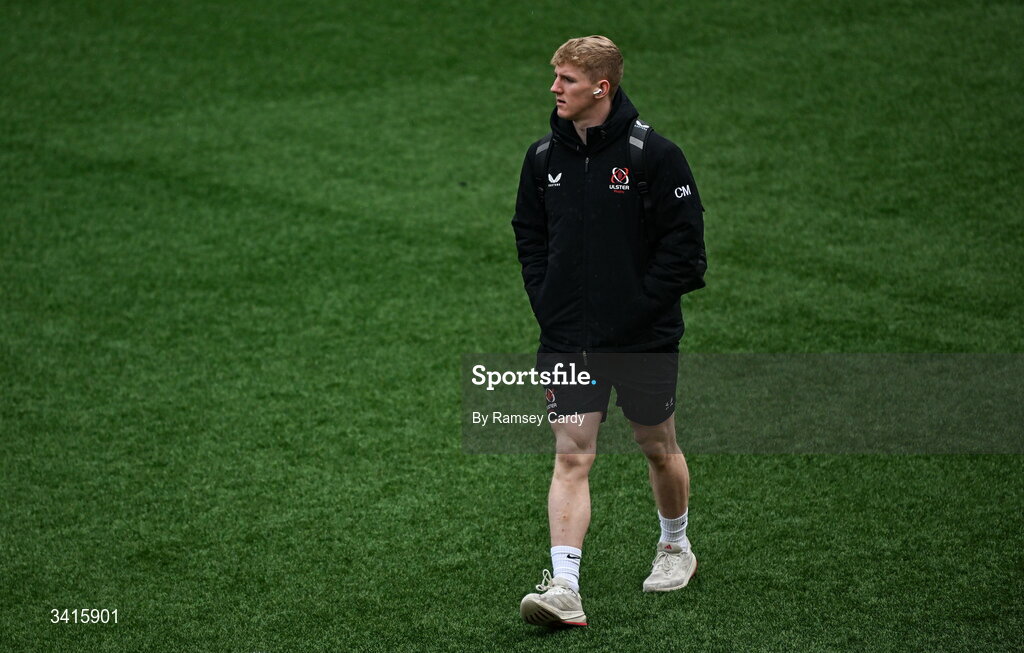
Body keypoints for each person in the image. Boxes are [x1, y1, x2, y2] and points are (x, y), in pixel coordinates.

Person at [511, 35, 707, 627]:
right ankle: (564, 588)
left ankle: (675, 545)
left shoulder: (656, 156)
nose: (554, 88)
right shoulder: (543, 158)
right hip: (569, 339)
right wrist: (548, 302)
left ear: (602, 86)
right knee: (572, 455)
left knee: (657, 445)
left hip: (643, 339)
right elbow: (529, 235)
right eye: (556, 77)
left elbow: (685, 252)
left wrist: (635, 310)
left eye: (567, 79)